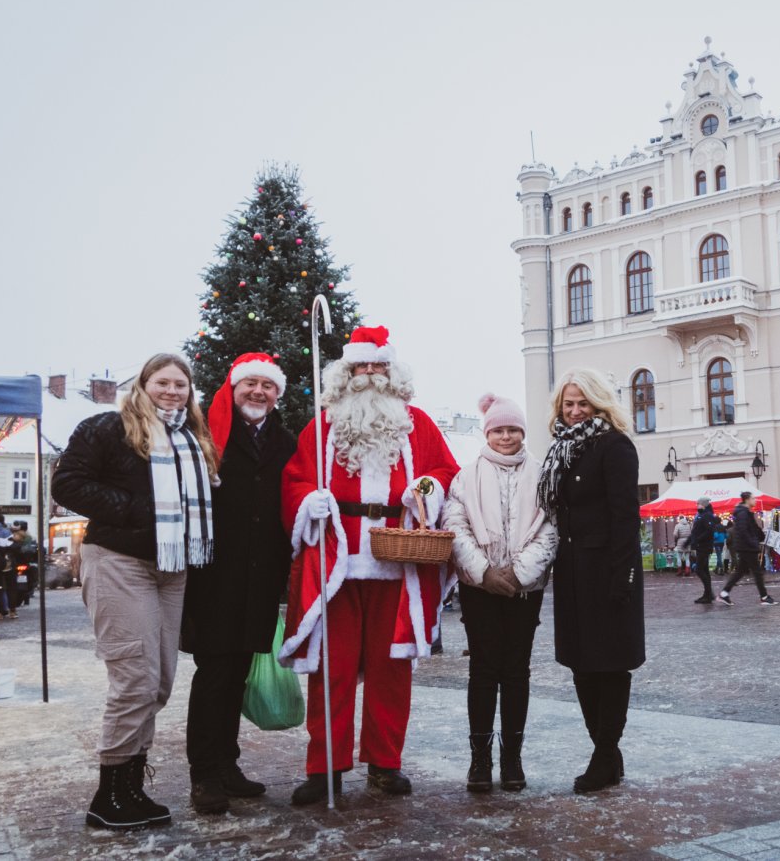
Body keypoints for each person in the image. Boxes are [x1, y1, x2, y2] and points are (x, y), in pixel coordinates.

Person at [279, 326, 460, 806]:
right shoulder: (321, 428)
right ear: (346, 372)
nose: (370, 375)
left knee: (391, 668)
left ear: (392, 371)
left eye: (378, 366)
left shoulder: (417, 423)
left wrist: (424, 490)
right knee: (330, 669)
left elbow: (444, 471)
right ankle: (326, 767)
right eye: (362, 366)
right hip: (337, 561)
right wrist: (307, 503)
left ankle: (385, 762)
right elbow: (295, 478)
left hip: (395, 561)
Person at [52, 353, 218, 830]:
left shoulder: (191, 438)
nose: (172, 391)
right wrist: (135, 509)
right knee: (134, 679)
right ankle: (109, 796)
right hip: (120, 562)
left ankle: (132, 787)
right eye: (162, 382)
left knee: (160, 680)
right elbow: (68, 483)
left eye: (180, 385)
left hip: (172, 567)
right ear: (144, 385)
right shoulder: (108, 428)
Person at [180, 353, 298, 814]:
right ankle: (205, 774)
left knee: (237, 674)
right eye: (250, 384)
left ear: (277, 395)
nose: (258, 392)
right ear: (233, 388)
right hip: (215, 576)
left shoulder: (284, 441)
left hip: (261, 575)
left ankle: (227, 765)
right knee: (214, 674)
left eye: (267, 386)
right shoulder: (206, 436)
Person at [537, 368, 644, 794]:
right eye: (569, 403)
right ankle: (607, 753)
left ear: (600, 404)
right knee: (581, 664)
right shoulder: (562, 451)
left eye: (583, 403)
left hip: (608, 571)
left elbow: (625, 517)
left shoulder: (614, 446)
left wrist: (624, 577)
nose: (576, 411)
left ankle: (603, 756)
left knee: (610, 665)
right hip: (572, 571)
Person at [443, 393, 556, 793]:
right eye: (498, 430)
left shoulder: (542, 474)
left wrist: (519, 573)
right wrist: (485, 572)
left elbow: (549, 528)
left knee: (516, 671)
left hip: (526, 590)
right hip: (480, 589)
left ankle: (512, 758)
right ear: (487, 433)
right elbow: (455, 526)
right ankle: (480, 759)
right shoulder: (466, 476)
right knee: (483, 671)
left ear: (522, 432)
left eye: (512, 429)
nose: (506, 436)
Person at [717, 492, 777, 606]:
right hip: (747, 547)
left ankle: (724, 594)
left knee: (740, 572)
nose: (755, 500)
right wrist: (753, 542)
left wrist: (760, 536)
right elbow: (743, 531)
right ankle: (764, 597)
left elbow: (752, 528)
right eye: (753, 498)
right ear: (747, 500)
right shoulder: (743, 513)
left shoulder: (745, 512)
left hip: (745, 546)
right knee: (757, 572)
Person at [687, 498, 719, 604]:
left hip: (704, 547)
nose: (697, 505)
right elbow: (696, 531)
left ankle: (709, 594)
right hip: (701, 546)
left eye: (698, 504)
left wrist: (697, 539)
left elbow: (709, 530)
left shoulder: (706, 515)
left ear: (704, 505)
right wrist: (689, 541)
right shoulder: (700, 515)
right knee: (704, 570)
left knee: (699, 570)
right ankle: (707, 594)